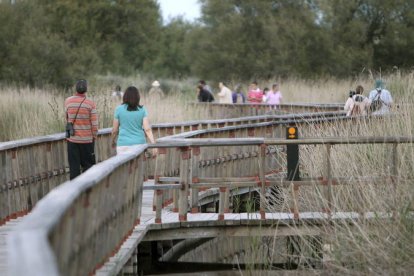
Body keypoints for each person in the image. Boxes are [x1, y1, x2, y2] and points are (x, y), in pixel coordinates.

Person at [64, 79, 98, 180]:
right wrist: (94, 137)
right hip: (87, 141)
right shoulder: (90, 103)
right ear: (86, 89)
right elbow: (94, 125)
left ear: (76, 89)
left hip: (72, 140)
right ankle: (88, 190)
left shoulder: (68, 101)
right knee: (88, 167)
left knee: (74, 168)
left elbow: (67, 118)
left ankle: (74, 191)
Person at [111, 86, 156, 155]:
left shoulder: (119, 109)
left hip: (123, 144)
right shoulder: (142, 110)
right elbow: (147, 129)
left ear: (125, 96)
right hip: (139, 144)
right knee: (136, 165)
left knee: (123, 165)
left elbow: (115, 130)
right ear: (138, 97)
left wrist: (113, 140)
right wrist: (154, 145)